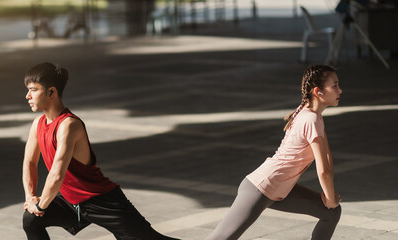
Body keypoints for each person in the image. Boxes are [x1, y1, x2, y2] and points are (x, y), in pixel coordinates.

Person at [21, 62, 177, 240]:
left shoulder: (69, 125)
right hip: (71, 201)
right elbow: (30, 162)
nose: (27, 96)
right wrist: (31, 198)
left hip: (100, 200)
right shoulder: (38, 124)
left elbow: (56, 175)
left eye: (33, 90)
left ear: (51, 92)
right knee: (31, 219)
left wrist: (41, 206)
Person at [205, 64, 343, 240]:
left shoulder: (313, 116)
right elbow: (323, 170)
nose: (340, 90)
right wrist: (330, 198)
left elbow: (326, 157)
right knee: (220, 238)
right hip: (260, 188)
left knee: (331, 213)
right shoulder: (311, 119)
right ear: (318, 91)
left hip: (281, 189)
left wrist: (330, 198)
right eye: (335, 85)